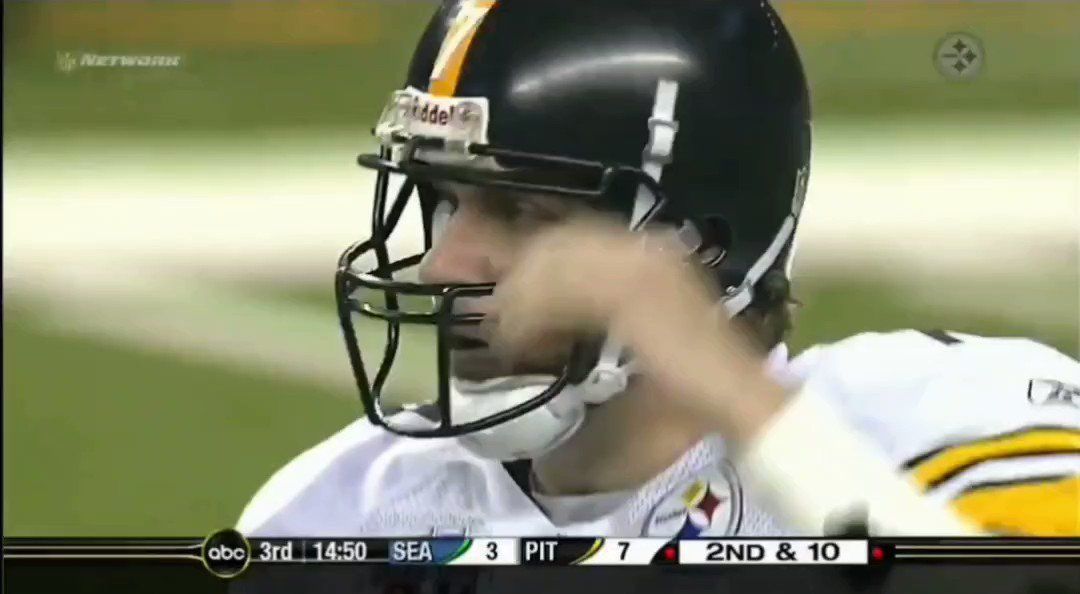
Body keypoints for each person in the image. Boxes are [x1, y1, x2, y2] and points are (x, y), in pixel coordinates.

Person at [237, 0, 1079, 539]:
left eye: (524, 214)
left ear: (703, 242)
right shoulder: (337, 511)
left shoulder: (941, 425)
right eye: (443, 202)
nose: (444, 264)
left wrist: (742, 403)